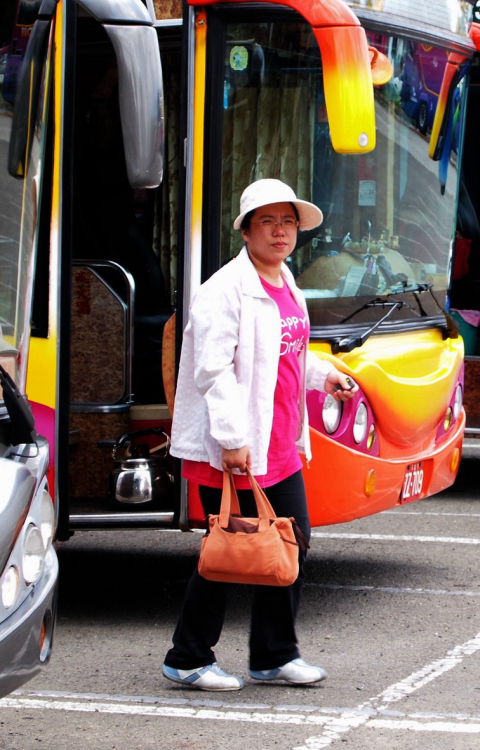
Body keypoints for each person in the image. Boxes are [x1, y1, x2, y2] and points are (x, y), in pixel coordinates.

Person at [162, 178, 357, 691]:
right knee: (231, 550)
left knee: (289, 544)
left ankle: (273, 655)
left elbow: (283, 350)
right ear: (245, 230)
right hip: (235, 447)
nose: (280, 231)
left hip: (278, 442)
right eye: (267, 221)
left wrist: (323, 375)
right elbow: (212, 371)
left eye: (288, 221)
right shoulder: (222, 292)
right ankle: (187, 657)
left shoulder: (285, 280)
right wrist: (230, 439)